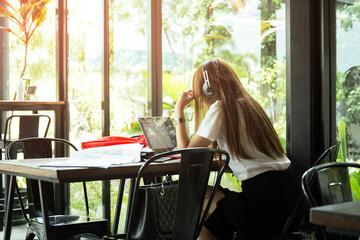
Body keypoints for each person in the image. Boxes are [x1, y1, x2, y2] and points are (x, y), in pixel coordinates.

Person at [175, 58, 299, 240]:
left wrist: (179, 110)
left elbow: (186, 154)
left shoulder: (221, 108)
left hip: (264, 207)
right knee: (205, 217)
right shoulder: (251, 104)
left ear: (207, 89)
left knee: (194, 197)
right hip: (291, 203)